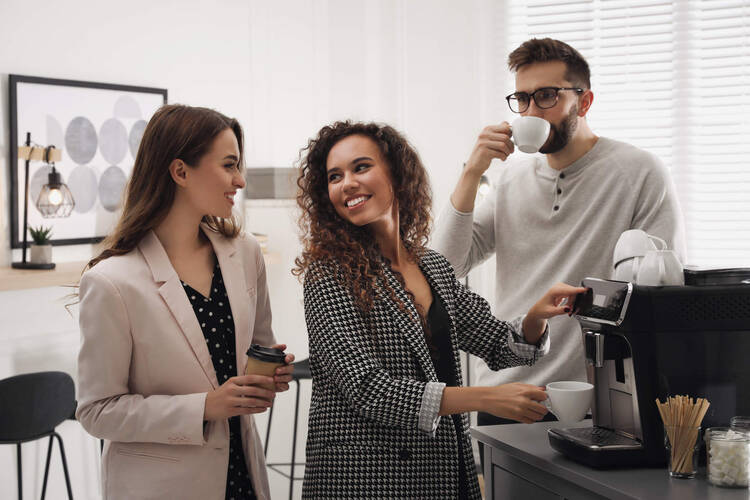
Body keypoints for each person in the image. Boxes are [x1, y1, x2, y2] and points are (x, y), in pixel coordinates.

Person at [294, 120, 585, 499]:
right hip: (366, 480)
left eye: (360, 167)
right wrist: (484, 398)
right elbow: (368, 389)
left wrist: (535, 317)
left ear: (397, 175)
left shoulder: (432, 266)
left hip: (442, 467)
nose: (346, 182)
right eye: (334, 176)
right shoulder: (328, 274)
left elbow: (499, 343)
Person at [432, 38, 686, 429]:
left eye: (547, 96)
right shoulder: (508, 178)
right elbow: (445, 267)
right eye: (523, 98)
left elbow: (661, 287)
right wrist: (471, 173)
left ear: (583, 103)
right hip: (507, 396)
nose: (531, 110)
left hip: (593, 401)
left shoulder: (639, 172)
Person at [76, 104, 294, 500]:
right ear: (180, 172)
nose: (240, 180)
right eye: (229, 165)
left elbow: (253, 351)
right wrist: (205, 407)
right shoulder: (111, 283)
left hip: (243, 475)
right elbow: (97, 411)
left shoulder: (244, 253)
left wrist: (267, 376)